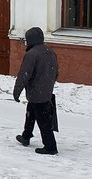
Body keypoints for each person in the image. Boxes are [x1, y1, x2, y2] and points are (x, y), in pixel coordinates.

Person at [13, 26, 59, 155]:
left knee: (43, 120)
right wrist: (48, 85)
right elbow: (56, 72)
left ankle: (50, 147)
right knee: (31, 112)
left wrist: (17, 91)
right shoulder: (50, 52)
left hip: (36, 92)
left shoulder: (31, 54)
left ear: (30, 40)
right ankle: (26, 136)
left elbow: (24, 75)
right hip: (46, 91)